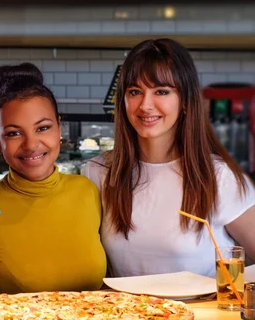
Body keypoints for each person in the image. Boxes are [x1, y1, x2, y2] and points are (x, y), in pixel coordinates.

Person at [83, 38, 255, 277]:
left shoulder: (220, 179)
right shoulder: (98, 172)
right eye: (135, 92)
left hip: (201, 314)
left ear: (184, 101)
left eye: (161, 91)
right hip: (122, 314)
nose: (145, 105)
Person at [0, 63, 106, 295]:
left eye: (43, 128)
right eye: (13, 133)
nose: (31, 145)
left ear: (60, 128)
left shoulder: (88, 191)